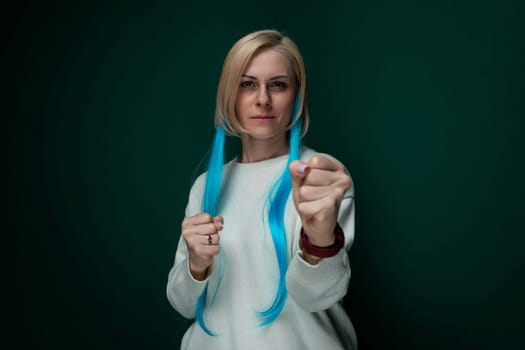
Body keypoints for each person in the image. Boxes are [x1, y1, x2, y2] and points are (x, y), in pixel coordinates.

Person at [166, 29, 357, 350]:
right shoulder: (206, 187)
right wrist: (196, 264)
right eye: (247, 83)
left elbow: (316, 297)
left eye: (279, 85)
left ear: (297, 95)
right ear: (230, 94)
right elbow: (183, 304)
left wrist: (319, 241)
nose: (263, 99)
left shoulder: (320, 177)